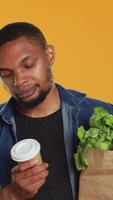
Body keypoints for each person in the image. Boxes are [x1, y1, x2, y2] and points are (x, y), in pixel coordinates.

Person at [0, 22, 112, 200]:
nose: (18, 81)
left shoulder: (102, 117)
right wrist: (8, 195)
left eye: (28, 65)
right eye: (6, 74)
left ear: (49, 55)